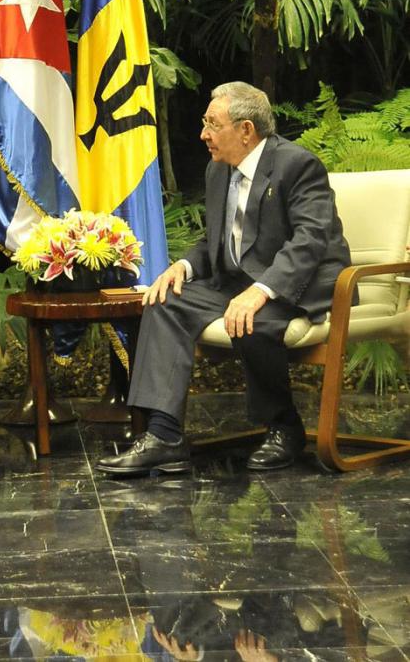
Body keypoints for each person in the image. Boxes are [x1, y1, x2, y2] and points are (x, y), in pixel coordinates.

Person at [97, 81, 352, 476]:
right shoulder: (219, 171)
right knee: (164, 302)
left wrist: (262, 290)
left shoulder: (297, 165)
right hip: (235, 283)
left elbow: (310, 240)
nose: (203, 135)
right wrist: (182, 266)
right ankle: (164, 435)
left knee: (250, 320)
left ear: (246, 130)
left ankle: (284, 427)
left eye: (212, 124)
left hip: (299, 282)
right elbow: (212, 241)